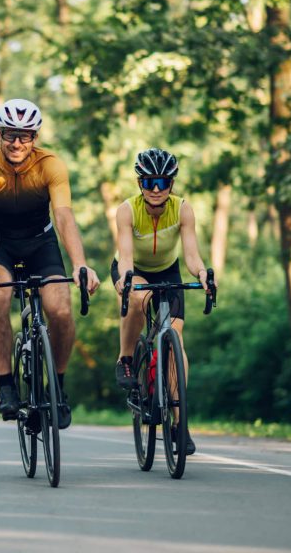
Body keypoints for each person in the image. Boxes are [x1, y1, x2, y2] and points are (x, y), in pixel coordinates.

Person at [0, 98, 100, 429]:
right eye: (10, 134)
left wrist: (80, 264)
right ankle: (6, 385)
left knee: (60, 308)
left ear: (35, 138)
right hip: (1, 245)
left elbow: (64, 216)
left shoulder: (51, 165)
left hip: (41, 243)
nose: (17, 143)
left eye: (25, 136)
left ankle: (58, 385)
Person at [111, 148, 217, 455]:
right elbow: (127, 258)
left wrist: (203, 275)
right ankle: (126, 359)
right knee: (139, 298)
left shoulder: (183, 209)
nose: (156, 189)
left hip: (168, 271)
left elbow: (192, 255)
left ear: (171, 183)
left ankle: (179, 423)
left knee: (176, 341)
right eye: (149, 182)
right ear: (140, 182)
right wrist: (126, 279)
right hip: (134, 269)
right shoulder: (127, 210)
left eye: (162, 182)